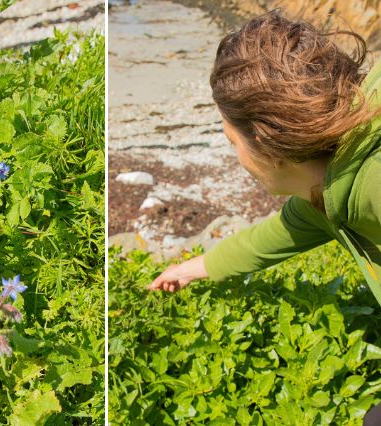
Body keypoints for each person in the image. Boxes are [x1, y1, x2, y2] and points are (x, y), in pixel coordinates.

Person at [146, 10, 381, 424]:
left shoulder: (372, 183)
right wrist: (194, 268)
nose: (233, 154)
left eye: (231, 139)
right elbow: (274, 235)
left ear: (269, 150)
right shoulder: (327, 188)